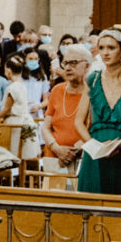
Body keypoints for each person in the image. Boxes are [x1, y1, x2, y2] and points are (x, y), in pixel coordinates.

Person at [78, 31, 121, 195]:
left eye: (111, 48)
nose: (105, 53)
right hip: (95, 155)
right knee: (92, 204)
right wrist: (93, 146)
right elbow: (78, 121)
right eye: (101, 48)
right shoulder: (92, 80)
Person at [42, 43, 92, 174]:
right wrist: (56, 148)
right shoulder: (57, 90)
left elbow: (94, 129)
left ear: (87, 66)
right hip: (54, 156)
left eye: (74, 63)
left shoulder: (93, 93)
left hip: (81, 156)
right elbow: (45, 127)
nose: (68, 68)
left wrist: (74, 151)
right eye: (65, 63)